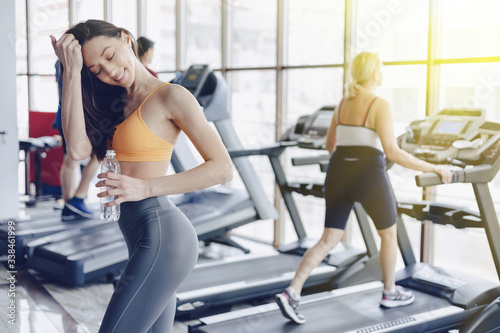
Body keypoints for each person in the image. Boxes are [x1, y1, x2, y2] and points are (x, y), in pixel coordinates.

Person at [50, 19, 233, 333]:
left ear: (125, 39)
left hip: (164, 235)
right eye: (96, 70)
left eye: (109, 55)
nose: (109, 71)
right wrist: (70, 72)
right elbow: (79, 149)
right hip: (139, 235)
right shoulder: (115, 103)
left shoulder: (170, 96)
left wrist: (145, 186)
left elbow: (222, 168)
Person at [275, 52, 452, 325]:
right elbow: (393, 152)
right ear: (373, 74)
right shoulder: (379, 104)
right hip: (369, 173)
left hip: (338, 172)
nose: (383, 72)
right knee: (388, 235)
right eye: (381, 68)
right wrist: (434, 168)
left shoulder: (343, 103)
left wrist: (347, 169)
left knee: (328, 240)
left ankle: (292, 292)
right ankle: (389, 292)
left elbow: (330, 145)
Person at [53, 60, 100, 221]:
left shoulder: (60, 62)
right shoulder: (81, 62)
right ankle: (77, 199)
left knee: (69, 160)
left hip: (64, 116)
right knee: (100, 154)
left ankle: (69, 205)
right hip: (81, 118)